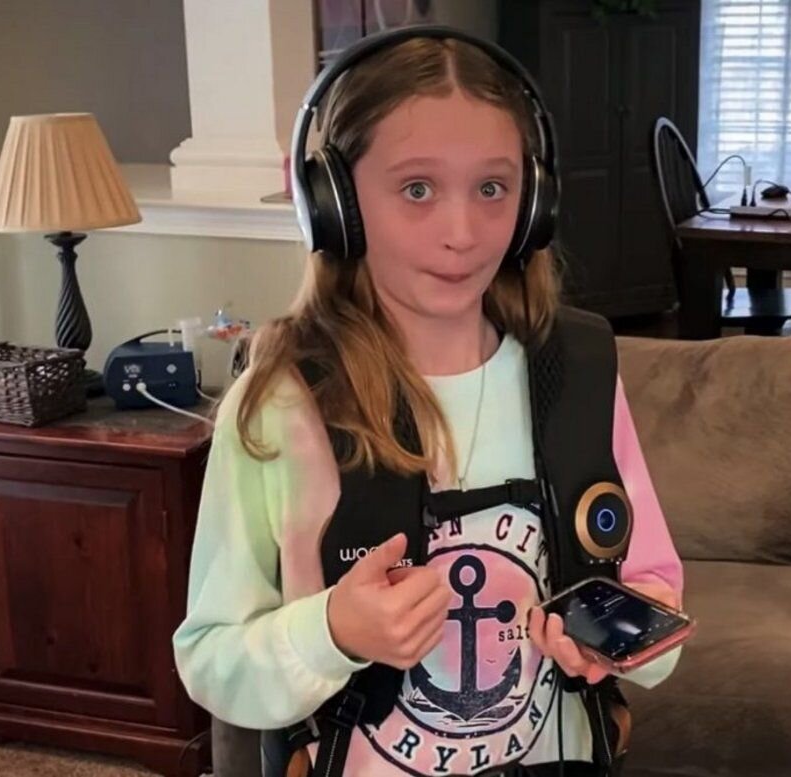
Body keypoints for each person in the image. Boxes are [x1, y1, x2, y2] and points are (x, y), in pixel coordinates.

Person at [173, 25, 683, 777]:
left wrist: (616, 640)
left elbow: (655, 605)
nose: (462, 232)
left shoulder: (578, 376)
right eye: (417, 189)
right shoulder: (281, 405)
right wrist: (331, 631)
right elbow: (212, 660)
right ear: (335, 203)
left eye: (492, 188)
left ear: (534, 203)